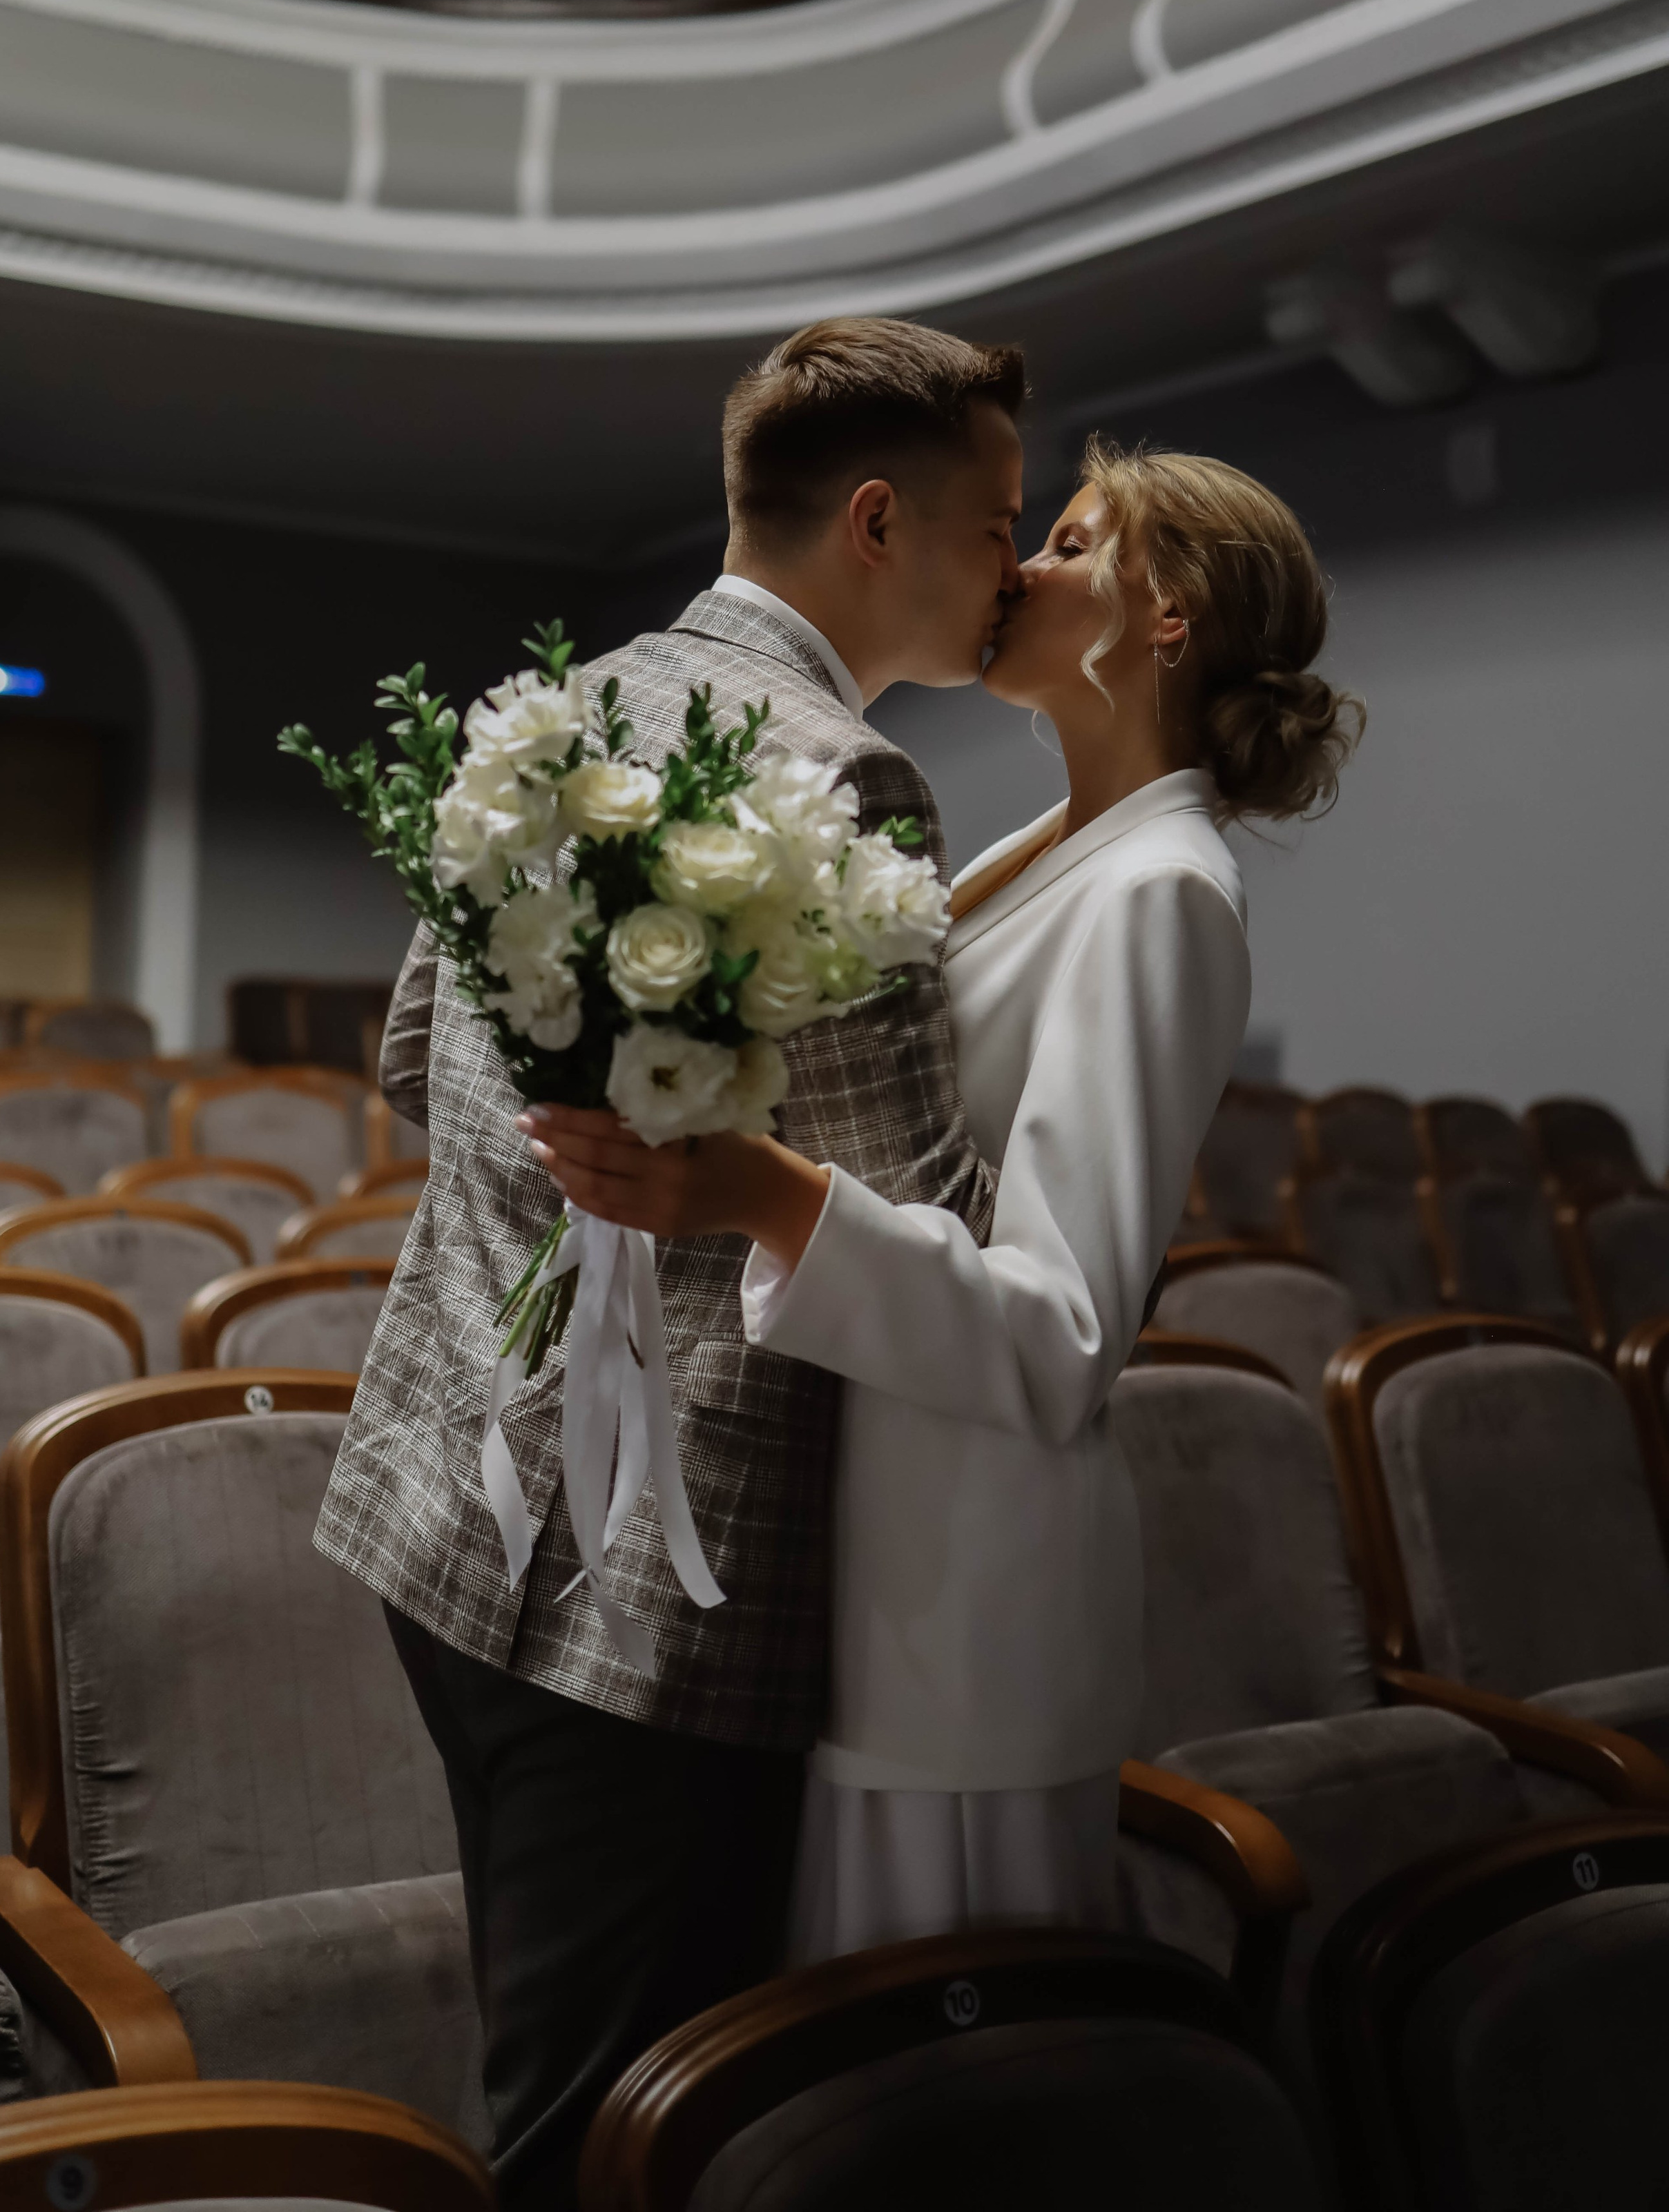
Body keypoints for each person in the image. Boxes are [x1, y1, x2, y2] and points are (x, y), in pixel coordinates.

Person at [314, 316, 1026, 2206]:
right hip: (646, 1584)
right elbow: (923, 1224)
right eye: (998, 524)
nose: (1018, 570)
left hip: (441, 1505)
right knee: (619, 2132)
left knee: (550, 2053)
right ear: (878, 520)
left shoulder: (547, 707)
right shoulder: (848, 778)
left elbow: (408, 1060)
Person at [525, 436, 1363, 1959]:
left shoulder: (1161, 887)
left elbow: (1060, 1335)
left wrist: (764, 1191)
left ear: (1162, 612)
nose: (1015, 568)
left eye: (1067, 542)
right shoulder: (1044, 849)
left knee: (933, 2095)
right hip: (869, 1539)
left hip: (963, 1595)